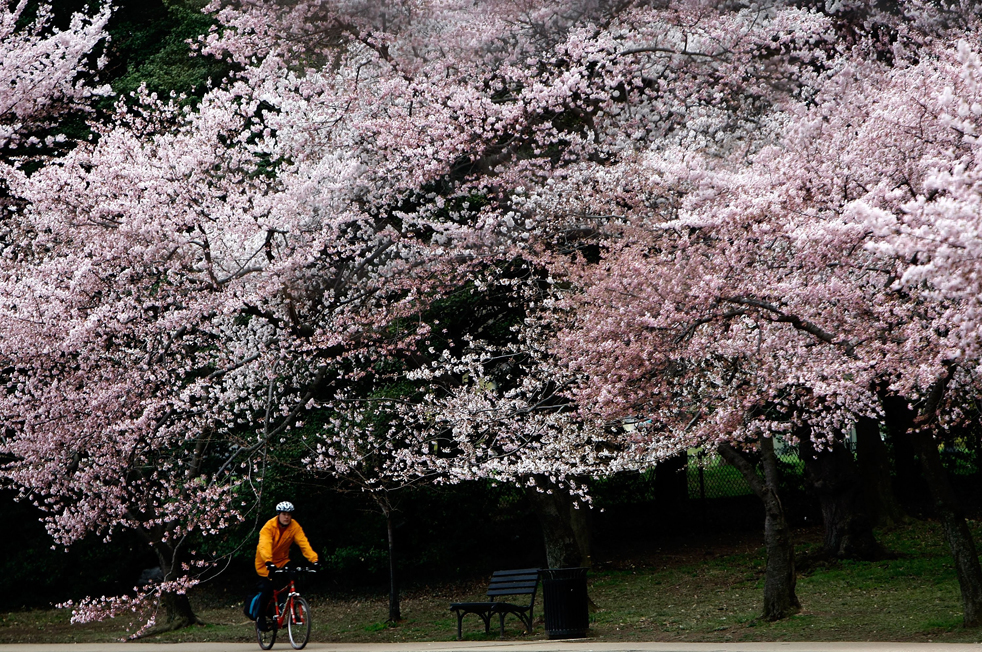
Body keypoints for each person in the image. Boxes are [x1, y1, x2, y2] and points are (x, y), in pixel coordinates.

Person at [254, 501, 319, 631]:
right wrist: (268, 562)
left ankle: (293, 608)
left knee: (294, 577)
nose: (287, 517)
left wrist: (314, 560)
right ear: (278, 514)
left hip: (282, 560)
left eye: (289, 514)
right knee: (267, 588)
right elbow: (265, 545)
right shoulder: (269, 527)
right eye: (284, 514)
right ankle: (260, 616)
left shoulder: (294, 526)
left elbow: (303, 543)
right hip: (265, 562)